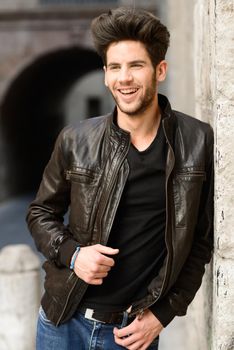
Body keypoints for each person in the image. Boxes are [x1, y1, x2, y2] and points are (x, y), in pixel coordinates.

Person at [27, 7, 214, 350]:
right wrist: (72, 254)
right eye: (115, 67)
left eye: (136, 65)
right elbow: (40, 213)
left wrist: (163, 313)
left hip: (130, 336)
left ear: (160, 70)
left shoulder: (197, 141)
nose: (124, 78)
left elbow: (201, 242)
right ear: (105, 75)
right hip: (62, 323)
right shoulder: (75, 139)